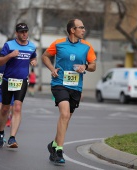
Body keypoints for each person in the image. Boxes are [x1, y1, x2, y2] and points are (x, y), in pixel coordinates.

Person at [42, 18, 96, 165]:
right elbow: (45, 56)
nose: (84, 30)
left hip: (76, 87)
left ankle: (53, 144)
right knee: (64, 114)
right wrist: (52, 69)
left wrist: (85, 66)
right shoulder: (58, 44)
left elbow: (93, 65)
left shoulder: (87, 46)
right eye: (81, 27)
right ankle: (59, 150)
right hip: (59, 84)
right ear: (73, 30)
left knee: (66, 119)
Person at [0, 23, 37, 148]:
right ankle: (1, 131)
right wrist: (10, 55)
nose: (24, 34)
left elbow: (33, 58)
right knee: (5, 109)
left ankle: (12, 138)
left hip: (22, 81)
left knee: (18, 107)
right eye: (21, 32)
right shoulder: (9, 45)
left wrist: (34, 61)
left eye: (26, 31)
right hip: (8, 80)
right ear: (17, 33)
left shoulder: (32, 46)